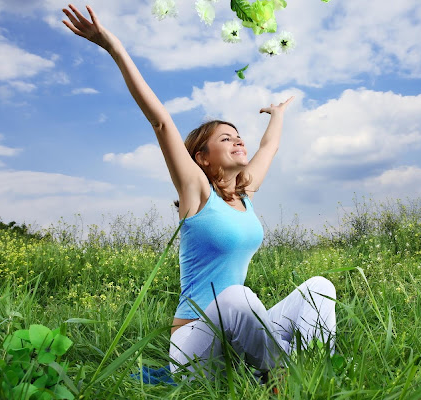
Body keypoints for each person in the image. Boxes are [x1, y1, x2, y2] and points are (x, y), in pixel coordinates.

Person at [62, 4, 336, 380]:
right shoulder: (196, 193)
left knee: (319, 287)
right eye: (226, 138)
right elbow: (160, 121)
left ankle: (318, 370)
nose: (239, 139)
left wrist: (278, 115)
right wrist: (112, 46)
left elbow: (268, 148)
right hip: (195, 342)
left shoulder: (245, 194)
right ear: (201, 159)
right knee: (238, 298)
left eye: (238, 134)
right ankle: (284, 374)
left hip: (236, 330)